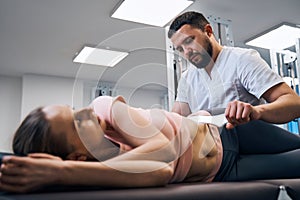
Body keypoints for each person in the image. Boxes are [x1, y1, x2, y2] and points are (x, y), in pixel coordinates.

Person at [1, 95, 300, 193]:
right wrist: (62, 173)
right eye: (77, 122)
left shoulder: (104, 107)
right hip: (224, 170)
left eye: (73, 107)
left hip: (227, 131)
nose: (85, 111)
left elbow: (164, 156)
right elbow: (160, 173)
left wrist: (62, 172)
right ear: (78, 157)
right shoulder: (98, 172)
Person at [168, 11, 300, 129]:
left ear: (208, 31)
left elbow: (294, 104)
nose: (186, 52)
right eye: (180, 49)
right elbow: (176, 120)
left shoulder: (242, 59)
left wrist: (257, 112)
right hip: (212, 150)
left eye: (189, 41)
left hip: (246, 144)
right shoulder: (187, 78)